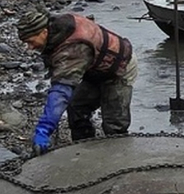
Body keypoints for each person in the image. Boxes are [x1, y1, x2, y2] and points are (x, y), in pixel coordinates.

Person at [16, 8, 138, 155]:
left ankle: (119, 161)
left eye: (30, 41)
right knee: (76, 107)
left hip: (119, 69)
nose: (29, 48)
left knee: (114, 124)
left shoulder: (74, 48)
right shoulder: (56, 27)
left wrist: (44, 129)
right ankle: (83, 153)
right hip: (93, 69)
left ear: (44, 32)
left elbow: (61, 91)